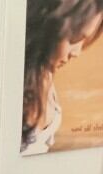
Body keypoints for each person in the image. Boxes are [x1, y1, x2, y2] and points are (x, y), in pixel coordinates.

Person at [21, 0, 103, 155]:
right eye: (76, 38)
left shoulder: (45, 73)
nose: (77, 52)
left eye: (85, 41)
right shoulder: (18, 87)